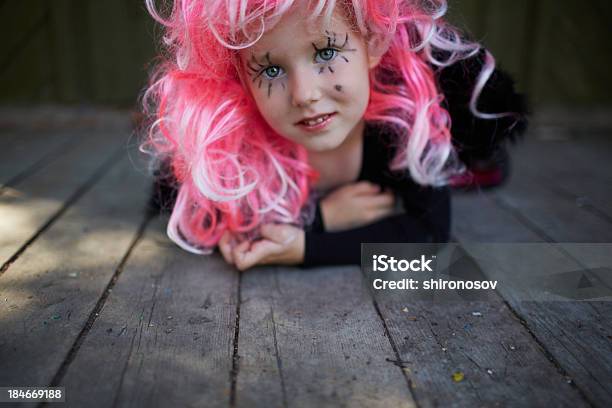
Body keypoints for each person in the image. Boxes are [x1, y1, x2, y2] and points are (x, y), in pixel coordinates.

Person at [142, 0, 527, 270]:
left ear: (373, 44)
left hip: (424, 136)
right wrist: (320, 219)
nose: (304, 94)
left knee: (466, 163)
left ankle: (474, 168)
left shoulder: (399, 129)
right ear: (242, 79)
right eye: (271, 71)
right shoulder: (238, 149)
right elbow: (182, 205)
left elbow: (428, 232)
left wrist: (306, 247)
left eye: (326, 52)